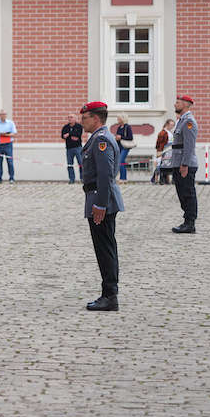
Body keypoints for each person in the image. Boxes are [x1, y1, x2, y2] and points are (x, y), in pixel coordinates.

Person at [79, 101, 124, 312]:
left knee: (105, 249)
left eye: (85, 117)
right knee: (106, 247)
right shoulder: (99, 138)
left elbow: (106, 175)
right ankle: (109, 293)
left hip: (100, 199)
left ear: (96, 118)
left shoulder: (101, 140)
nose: (81, 121)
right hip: (97, 197)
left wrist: (100, 204)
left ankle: (109, 295)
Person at [170, 95, 198, 233]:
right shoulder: (181, 121)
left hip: (185, 164)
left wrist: (185, 164)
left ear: (186, 105)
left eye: (178, 102)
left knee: (188, 193)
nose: (175, 104)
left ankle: (190, 223)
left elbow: (189, 145)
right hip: (178, 162)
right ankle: (187, 221)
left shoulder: (188, 121)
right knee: (182, 193)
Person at [0, 110, 17, 182]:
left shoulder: (10, 123)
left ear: (6, 115)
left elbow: (14, 134)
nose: (3, 115)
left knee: (10, 161)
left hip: (8, 144)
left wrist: (6, 135)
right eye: (1, 114)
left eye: (4, 114)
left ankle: (11, 178)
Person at [61, 114, 84, 184]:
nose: (69, 119)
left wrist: (69, 134)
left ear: (75, 119)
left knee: (81, 163)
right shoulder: (65, 127)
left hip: (78, 147)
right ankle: (71, 179)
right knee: (70, 164)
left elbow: (78, 134)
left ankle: (82, 178)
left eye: (71, 117)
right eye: (68, 117)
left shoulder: (79, 126)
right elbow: (63, 135)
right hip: (69, 148)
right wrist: (70, 135)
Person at [154, 119, 174, 185]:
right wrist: (159, 152)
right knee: (161, 165)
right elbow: (159, 144)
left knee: (166, 165)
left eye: (173, 125)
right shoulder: (163, 133)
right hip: (163, 151)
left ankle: (166, 180)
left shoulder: (169, 132)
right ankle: (158, 179)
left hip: (169, 151)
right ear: (167, 124)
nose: (172, 126)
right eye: (171, 125)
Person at [114, 114, 133, 183]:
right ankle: (124, 178)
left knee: (121, 161)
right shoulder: (119, 127)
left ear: (122, 119)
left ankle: (123, 178)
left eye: (118, 119)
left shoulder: (127, 127)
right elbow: (117, 136)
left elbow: (130, 137)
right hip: (119, 146)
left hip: (125, 146)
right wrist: (116, 138)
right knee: (121, 162)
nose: (117, 120)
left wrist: (121, 137)